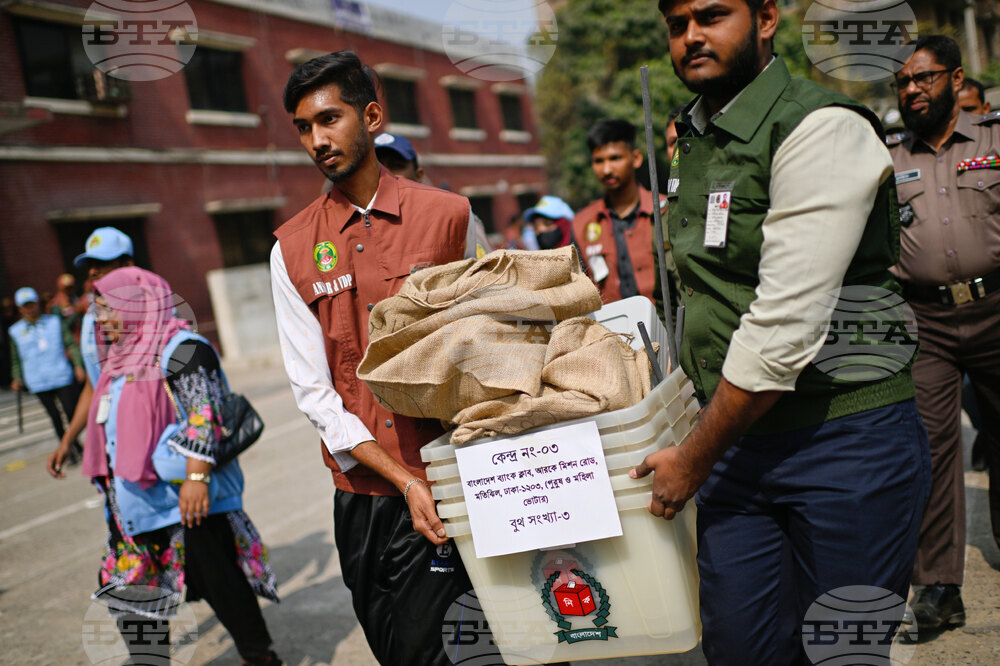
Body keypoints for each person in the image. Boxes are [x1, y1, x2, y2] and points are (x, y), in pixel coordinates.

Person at [631, 1, 931, 662]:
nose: (691, 37)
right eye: (676, 24)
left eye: (711, 15)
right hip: (738, 444)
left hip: (845, 440)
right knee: (742, 649)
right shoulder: (697, 136)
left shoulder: (819, 126)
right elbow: (697, 297)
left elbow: (785, 325)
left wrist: (692, 458)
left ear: (765, 18)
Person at [270, 50, 491, 665]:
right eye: (304, 128)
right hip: (368, 497)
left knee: (477, 646)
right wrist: (403, 480)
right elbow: (315, 394)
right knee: (398, 650)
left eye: (329, 119)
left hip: (460, 478)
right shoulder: (290, 249)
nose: (317, 140)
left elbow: (499, 340)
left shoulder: (449, 216)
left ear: (370, 115)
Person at [49, 266, 281, 665]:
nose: (100, 320)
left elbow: (202, 413)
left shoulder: (184, 348)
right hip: (133, 505)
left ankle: (260, 657)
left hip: (184, 500)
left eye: (107, 309)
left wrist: (195, 478)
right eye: (97, 310)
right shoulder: (120, 359)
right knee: (130, 591)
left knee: (221, 583)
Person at [887, 35, 1000, 633]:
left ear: (955, 80)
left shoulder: (994, 140)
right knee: (929, 452)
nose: (911, 90)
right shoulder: (887, 158)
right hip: (924, 320)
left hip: (997, 307)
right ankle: (938, 589)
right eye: (902, 83)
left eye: (922, 78)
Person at [47, 227, 136, 476]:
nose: (93, 271)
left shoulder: (155, 314)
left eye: (102, 262)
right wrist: (68, 440)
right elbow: (94, 384)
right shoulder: (90, 319)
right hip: (113, 442)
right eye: (90, 264)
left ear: (128, 263)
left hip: (152, 439)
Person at [572, 119, 664, 303]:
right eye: (599, 161)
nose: (606, 170)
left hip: (667, 325)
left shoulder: (664, 211)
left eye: (615, 158)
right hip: (612, 329)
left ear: (636, 158)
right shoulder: (582, 224)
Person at [9, 286, 85, 459]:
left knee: (71, 411)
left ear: (37, 303)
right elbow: (15, 359)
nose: (30, 308)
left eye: (32, 304)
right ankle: (71, 450)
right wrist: (17, 378)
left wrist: (78, 365)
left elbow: (70, 344)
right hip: (37, 380)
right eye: (25, 305)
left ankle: (74, 442)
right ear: (20, 309)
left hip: (61, 374)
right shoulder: (14, 331)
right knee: (55, 418)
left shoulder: (54, 322)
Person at [47, 273, 82, 340]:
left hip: (80, 337)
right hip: (70, 342)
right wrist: (76, 313)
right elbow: (60, 328)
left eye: (71, 287)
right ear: (60, 287)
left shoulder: (75, 299)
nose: (70, 290)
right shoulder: (56, 304)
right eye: (67, 288)